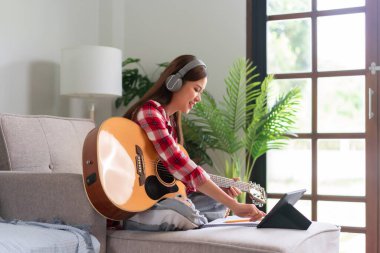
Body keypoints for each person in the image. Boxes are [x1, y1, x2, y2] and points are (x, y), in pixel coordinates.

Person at [123, 55, 265, 230]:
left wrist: (223, 191)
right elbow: (180, 164)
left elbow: (179, 184)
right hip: (136, 200)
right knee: (185, 210)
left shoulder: (172, 124)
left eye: (201, 92)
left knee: (216, 205)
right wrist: (235, 205)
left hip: (160, 198)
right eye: (196, 89)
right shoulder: (150, 112)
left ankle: (190, 219)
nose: (198, 98)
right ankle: (145, 219)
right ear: (175, 83)